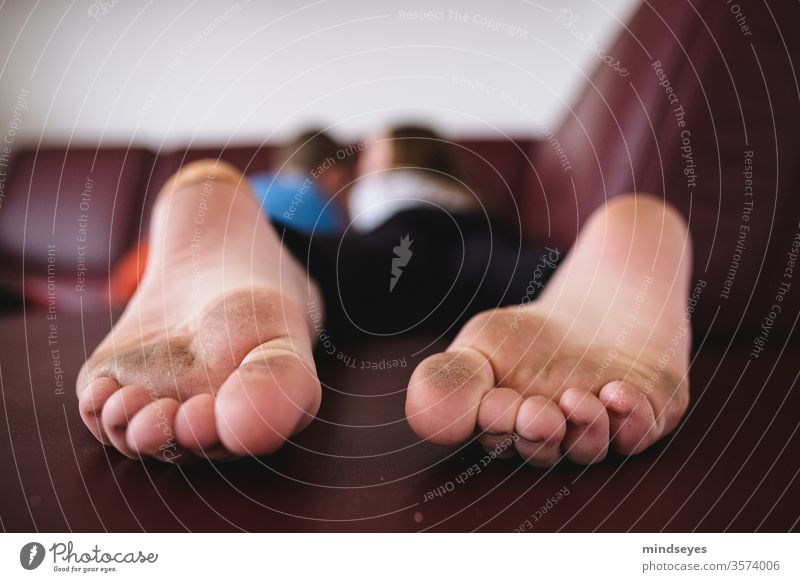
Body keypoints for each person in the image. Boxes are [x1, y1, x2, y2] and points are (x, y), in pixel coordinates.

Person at [76, 138, 691, 467]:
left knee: (305, 255)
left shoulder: (388, 195)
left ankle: (210, 198)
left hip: (376, 257)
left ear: (398, 156)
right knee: (543, 270)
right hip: (485, 257)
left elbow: (363, 226)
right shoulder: (481, 207)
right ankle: (633, 229)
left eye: (370, 153)